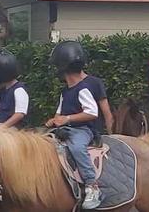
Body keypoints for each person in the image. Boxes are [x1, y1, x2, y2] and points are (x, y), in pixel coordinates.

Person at [44, 40, 113, 210]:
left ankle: (92, 186)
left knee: (76, 147)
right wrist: (54, 120)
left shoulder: (84, 88)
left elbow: (92, 112)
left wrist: (67, 119)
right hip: (65, 129)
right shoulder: (65, 91)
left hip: (83, 130)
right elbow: (59, 113)